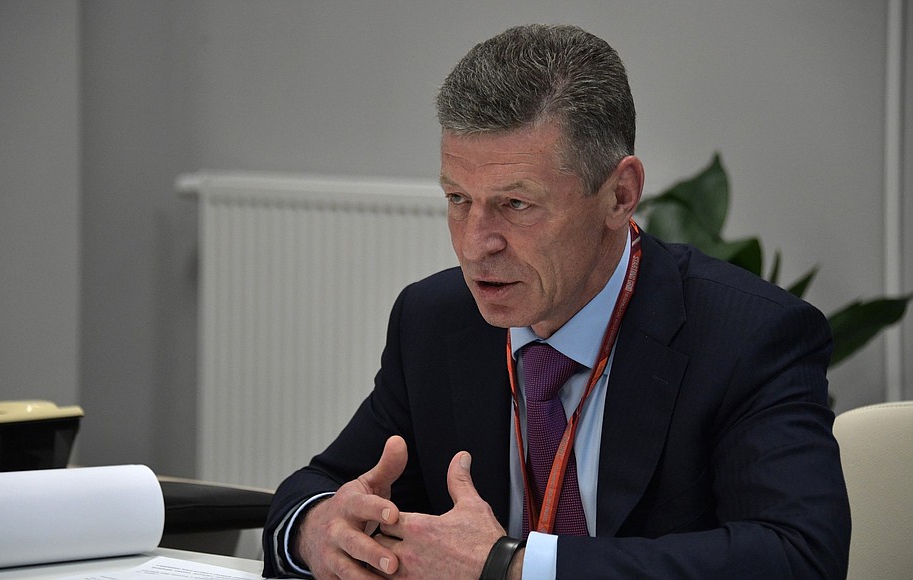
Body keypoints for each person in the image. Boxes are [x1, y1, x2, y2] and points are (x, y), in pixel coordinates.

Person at [262, 24, 850, 579]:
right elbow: (318, 489)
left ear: (620, 195)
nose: (475, 244)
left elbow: (799, 556)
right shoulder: (435, 321)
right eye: (458, 199)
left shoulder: (747, 336)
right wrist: (317, 531)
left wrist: (513, 567)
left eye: (516, 204)